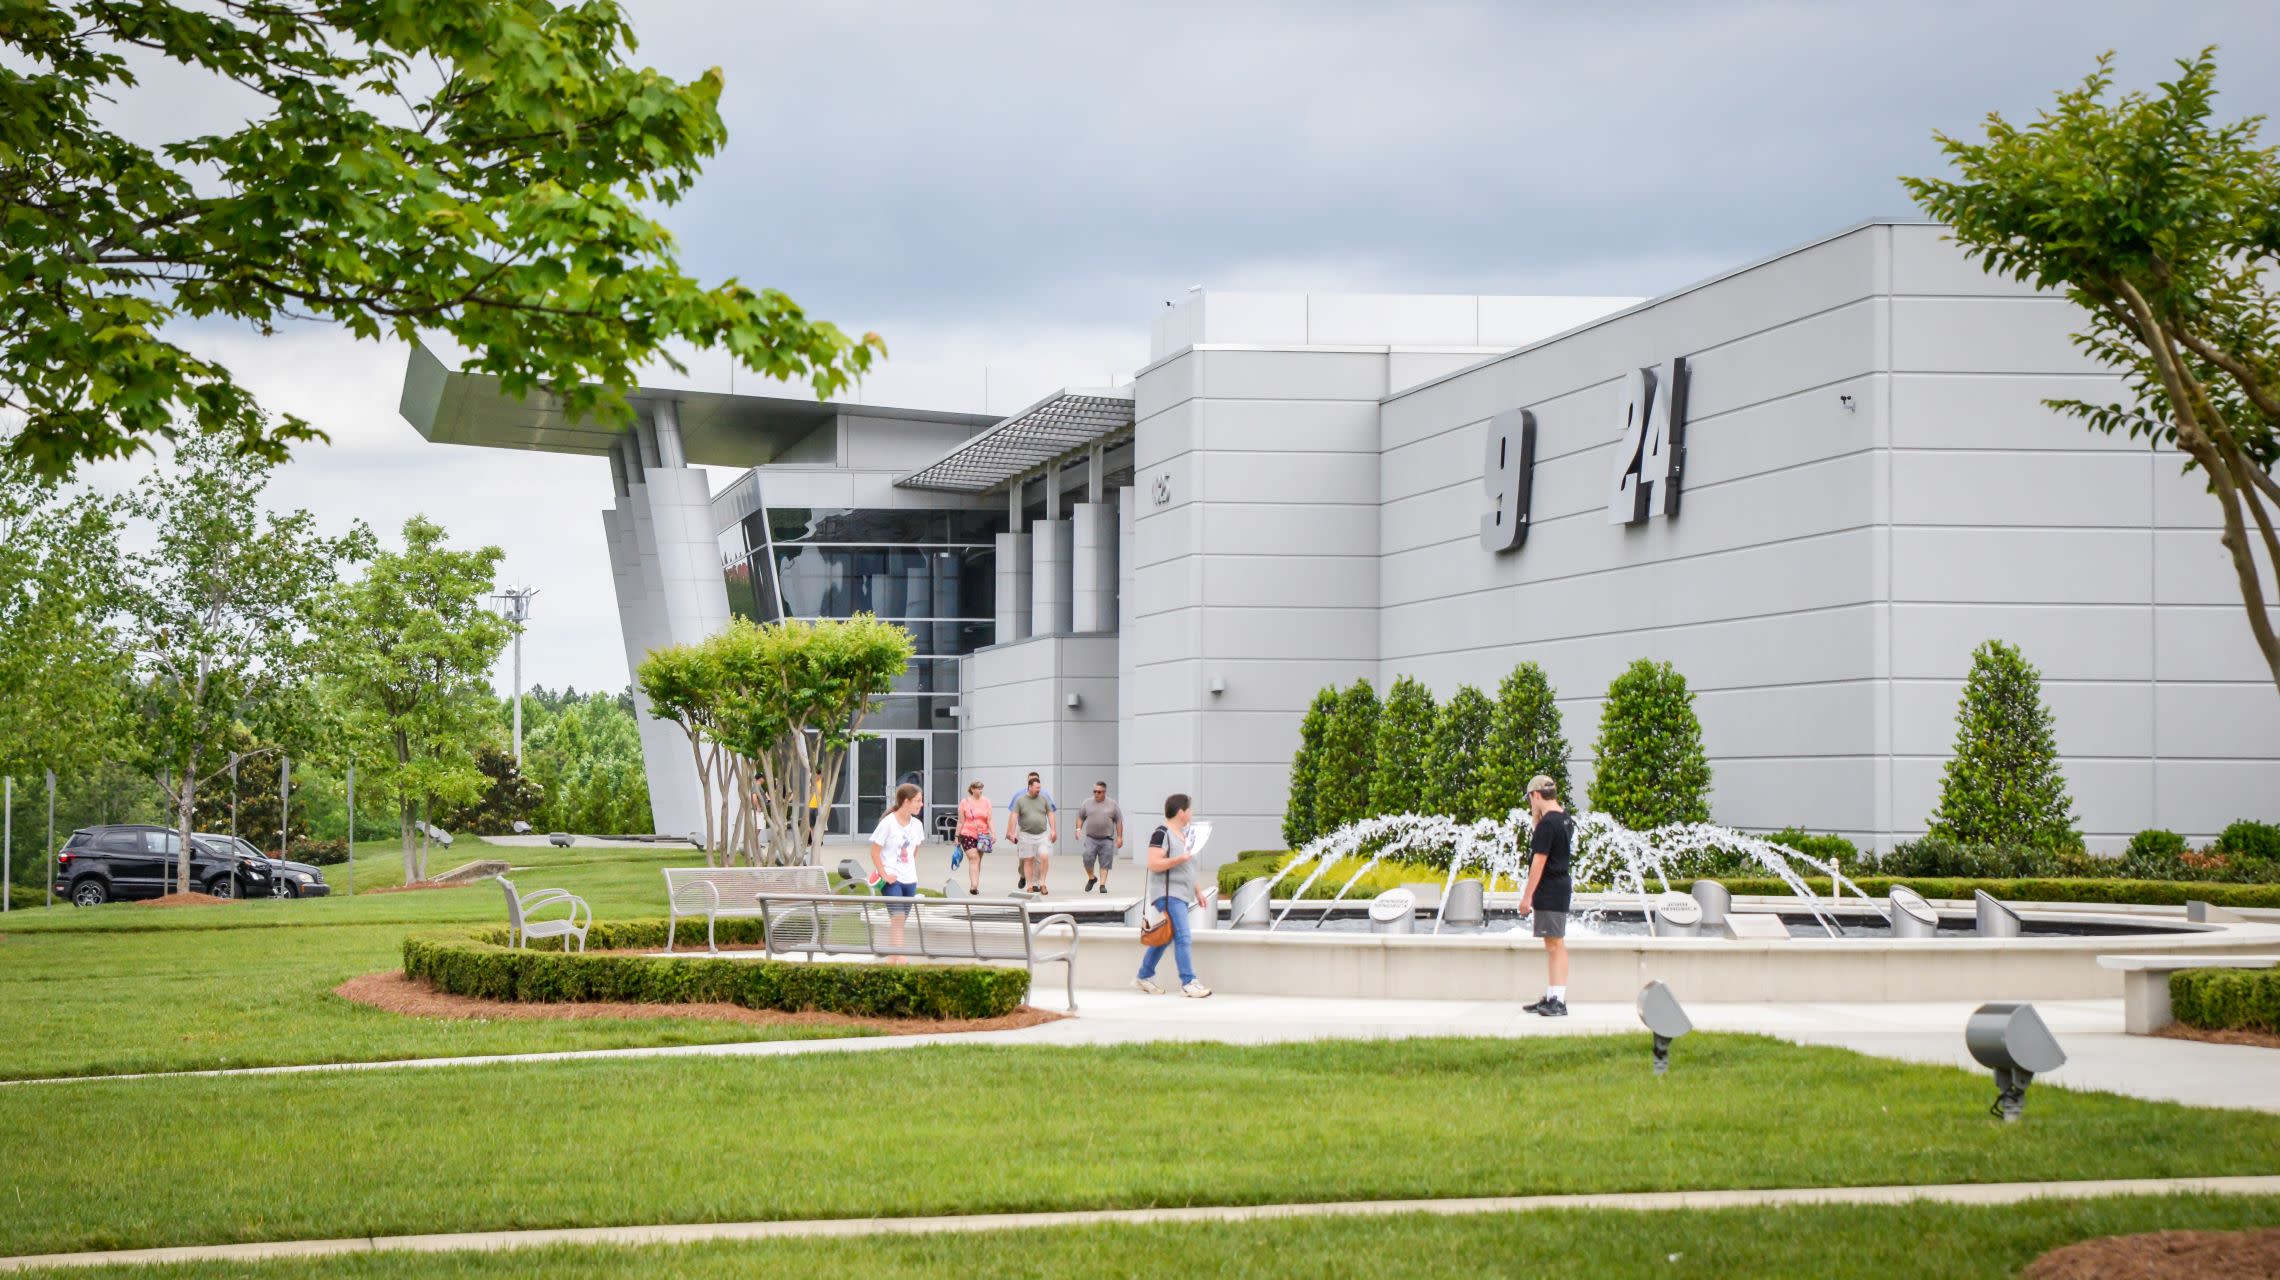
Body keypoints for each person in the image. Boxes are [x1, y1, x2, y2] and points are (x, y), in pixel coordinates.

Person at [1134, 792, 1212, 998]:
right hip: (1167, 894)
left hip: (1182, 893)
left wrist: (1198, 891)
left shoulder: (1185, 836)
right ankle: (1189, 982)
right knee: (1183, 936)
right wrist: (1179, 858)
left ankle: (1143, 976)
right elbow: (1154, 863)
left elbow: (1187, 869)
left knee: (1167, 936)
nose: (1192, 813)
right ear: (1181, 812)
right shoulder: (1162, 833)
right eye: (1190, 809)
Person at [1518, 774, 1573, 1016]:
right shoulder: (1564, 818)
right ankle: (1552, 996)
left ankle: (1558, 1001)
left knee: (1555, 944)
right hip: (1559, 886)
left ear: (1536, 795)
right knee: (1553, 943)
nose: (1530, 803)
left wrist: (1526, 897)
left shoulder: (1548, 824)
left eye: (1530, 798)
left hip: (1549, 889)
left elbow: (1538, 863)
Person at [869, 782, 926, 959]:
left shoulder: (917, 825)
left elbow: (914, 850)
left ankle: (892, 962)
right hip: (891, 880)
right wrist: (885, 874)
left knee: (899, 923)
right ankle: (901, 960)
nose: (921, 804)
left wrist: (906, 867)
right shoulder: (888, 823)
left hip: (910, 880)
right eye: (918, 800)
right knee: (898, 919)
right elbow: (875, 852)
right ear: (906, 801)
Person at [1005, 772, 1057, 895]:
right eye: (1037, 787)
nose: (1039, 789)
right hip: (1025, 834)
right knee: (1028, 859)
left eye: (1040, 787)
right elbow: (1013, 816)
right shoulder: (1020, 799)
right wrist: (1011, 832)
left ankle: (1041, 883)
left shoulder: (1044, 798)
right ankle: (1029, 885)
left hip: (1042, 834)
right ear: (1029, 786)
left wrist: (1053, 830)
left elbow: (1050, 813)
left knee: (1043, 857)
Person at [1076, 780, 1124, 894]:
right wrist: (1078, 829)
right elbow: (1080, 817)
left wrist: (1120, 837)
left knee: (1105, 862)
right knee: (1087, 857)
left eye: (1099, 792)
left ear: (1104, 792)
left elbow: (1118, 821)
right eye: (1094, 792)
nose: (1096, 794)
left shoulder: (1112, 804)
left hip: (1106, 839)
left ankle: (1102, 885)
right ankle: (1092, 878)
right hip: (1091, 838)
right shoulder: (1087, 803)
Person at [955, 780, 993, 896]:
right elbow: (961, 821)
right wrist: (957, 836)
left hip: (983, 835)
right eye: (978, 788)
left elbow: (989, 820)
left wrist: (993, 833)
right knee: (974, 858)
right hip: (967, 834)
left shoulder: (986, 802)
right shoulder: (964, 802)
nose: (980, 790)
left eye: (981, 788)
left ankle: (975, 884)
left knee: (978, 860)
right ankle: (974, 885)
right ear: (972, 789)